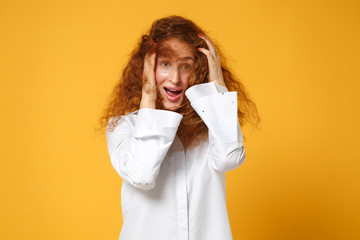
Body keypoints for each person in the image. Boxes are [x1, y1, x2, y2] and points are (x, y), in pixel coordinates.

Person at [100, 15, 259, 240]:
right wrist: (148, 95)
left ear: (199, 71)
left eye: (186, 66)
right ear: (146, 68)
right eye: (165, 64)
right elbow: (142, 175)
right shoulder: (124, 127)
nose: (175, 78)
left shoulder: (210, 127)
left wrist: (217, 86)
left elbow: (229, 158)